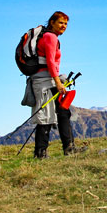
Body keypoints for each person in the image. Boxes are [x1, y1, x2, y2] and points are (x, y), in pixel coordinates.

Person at [29, 11, 81, 158]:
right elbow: (51, 61)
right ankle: (41, 153)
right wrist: (58, 82)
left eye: (65, 24)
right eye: (60, 23)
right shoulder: (50, 37)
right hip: (45, 80)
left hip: (45, 79)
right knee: (46, 116)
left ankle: (69, 148)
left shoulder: (49, 37)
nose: (64, 26)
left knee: (63, 112)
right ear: (52, 22)